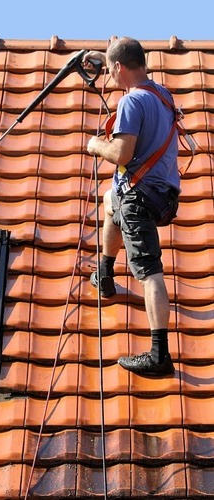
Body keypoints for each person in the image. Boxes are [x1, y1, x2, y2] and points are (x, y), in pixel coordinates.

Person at [83, 37, 180, 376]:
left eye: (110, 70)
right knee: (111, 200)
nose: (108, 75)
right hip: (164, 194)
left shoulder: (131, 101)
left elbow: (121, 154)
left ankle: (159, 355)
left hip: (141, 197)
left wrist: (96, 145)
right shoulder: (161, 95)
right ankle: (105, 274)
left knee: (149, 271)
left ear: (119, 68)